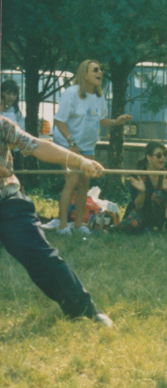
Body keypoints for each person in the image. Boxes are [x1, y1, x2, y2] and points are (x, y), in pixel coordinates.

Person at [0, 116, 112, 327]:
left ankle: (85, 312)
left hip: (8, 201)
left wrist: (80, 161)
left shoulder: (2, 125)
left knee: (41, 257)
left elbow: (38, 146)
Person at [53, 60, 131, 235]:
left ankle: (79, 225)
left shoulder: (98, 96)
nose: (100, 73)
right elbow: (59, 120)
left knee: (84, 183)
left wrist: (115, 122)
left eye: (101, 70)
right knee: (72, 181)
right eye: (95, 70)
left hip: (87, 146)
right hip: (68, 145)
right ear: (85, 74)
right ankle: (63, 226)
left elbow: (100, 120)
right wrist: (71, 142)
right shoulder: (71, 93)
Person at [115, 143, 167, 233]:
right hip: (144, 211)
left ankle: (162, 227)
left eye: (165, 154)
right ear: (149, 157)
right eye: (159, 155)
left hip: (164, 213)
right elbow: (137, 206)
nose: (163, 158)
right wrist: (142, 192)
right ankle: (107, 230)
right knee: (131, 224)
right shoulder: (139, 173)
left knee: (158, 195)